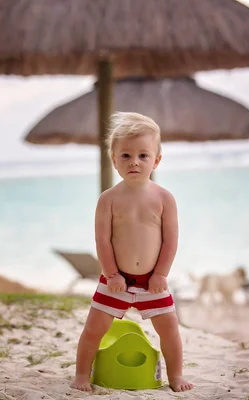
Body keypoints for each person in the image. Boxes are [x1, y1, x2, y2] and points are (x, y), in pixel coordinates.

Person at [71, 112, 194, 392]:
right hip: (115, 280)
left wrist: (161, 274)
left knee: (170, 329)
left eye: (142, 155)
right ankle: (80, 375)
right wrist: (111, 274)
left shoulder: (164, 198)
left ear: (156, 160)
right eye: (125, 156)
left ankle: (175, 376)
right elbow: (102, 240)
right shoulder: (108, 199)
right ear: (114, 160)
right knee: (93, 330)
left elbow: (170, 241)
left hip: (153, 281)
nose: (134, 162)